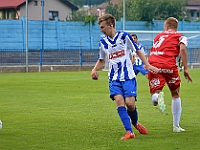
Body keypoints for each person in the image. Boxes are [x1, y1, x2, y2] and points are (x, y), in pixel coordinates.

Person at [91, 14, 159, 140]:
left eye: (103, 27)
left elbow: (137, 51)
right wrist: (94, 69)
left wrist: (147, 64)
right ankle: (129, 131)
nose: (101, 30)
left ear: (110, 25)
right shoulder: (103, 42)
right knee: (119, 101)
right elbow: (101, 60)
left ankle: (135, 123)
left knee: (130, 104)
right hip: (114, 78)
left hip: (128, 77)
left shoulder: (124, 36)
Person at [148, 17, 192, 132]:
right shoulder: (181, 37)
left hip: (154, 63)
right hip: (169, 64)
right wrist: (186, 68)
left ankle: (156, 97)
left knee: (155, 90)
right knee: (175, 94)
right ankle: (176, 126)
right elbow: (182, 50)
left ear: (166, 26)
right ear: (175, 27)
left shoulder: (158, 36)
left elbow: (153, 50)